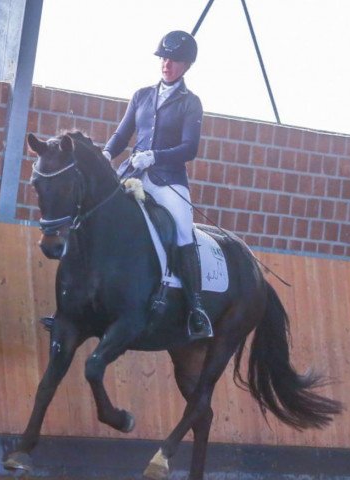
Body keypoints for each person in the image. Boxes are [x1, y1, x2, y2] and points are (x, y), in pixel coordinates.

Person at [102, 30, 213, 340]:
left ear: (187, 65)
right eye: (164, 58)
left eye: (174, 60)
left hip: (167, 180)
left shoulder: (191, 103)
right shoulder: (142, 95)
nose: (167, 64)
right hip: (133, 173)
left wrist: (155, 156)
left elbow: (190, 148)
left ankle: (196, 308)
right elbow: (122, 134)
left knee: (181, 230)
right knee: (97, 212)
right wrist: (106, 153)